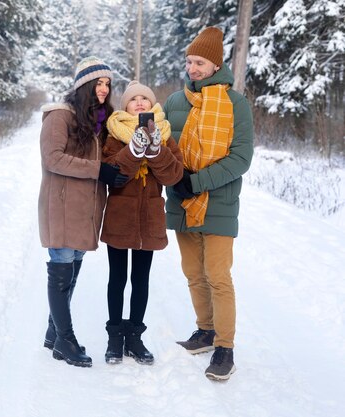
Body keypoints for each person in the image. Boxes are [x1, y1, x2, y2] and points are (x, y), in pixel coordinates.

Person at [163, 27, 254, 381]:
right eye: (189, 61)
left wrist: (196, 181)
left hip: (218, 201)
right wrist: (173, 179)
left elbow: (241, 158)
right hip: (182, 200)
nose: (192, 68)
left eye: (199, 62)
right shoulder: (174, 101)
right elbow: (163, 150)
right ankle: (204, 330)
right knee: (193, 274)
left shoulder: (236, 104)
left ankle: (225, 347)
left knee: (218, 277)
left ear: (216, 65)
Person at [38, 56, 129, 368]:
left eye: (107, 84)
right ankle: (65, 339)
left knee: (73, 269)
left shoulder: (98, 121)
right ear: (83, 85)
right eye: (98, 83)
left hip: (85, 208)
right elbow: (53, 158)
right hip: (62, 205)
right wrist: (98, 170)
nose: (104, 89)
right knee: (61, 268)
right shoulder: (59, 117)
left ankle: (53, 332)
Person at [100, 81, 183, 365]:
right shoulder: (113, 134)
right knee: (117, 278)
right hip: (120, 215)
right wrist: (133, 149)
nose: (138, 102)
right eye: (132, 99)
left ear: (152, 105)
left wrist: (156, 148)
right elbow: (110, 169)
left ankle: (134, 337)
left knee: (141, 279)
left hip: (149, 217)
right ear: (125, 106)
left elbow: (173, 176)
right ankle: (114, 338)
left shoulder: (165, 133)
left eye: (144, 99)